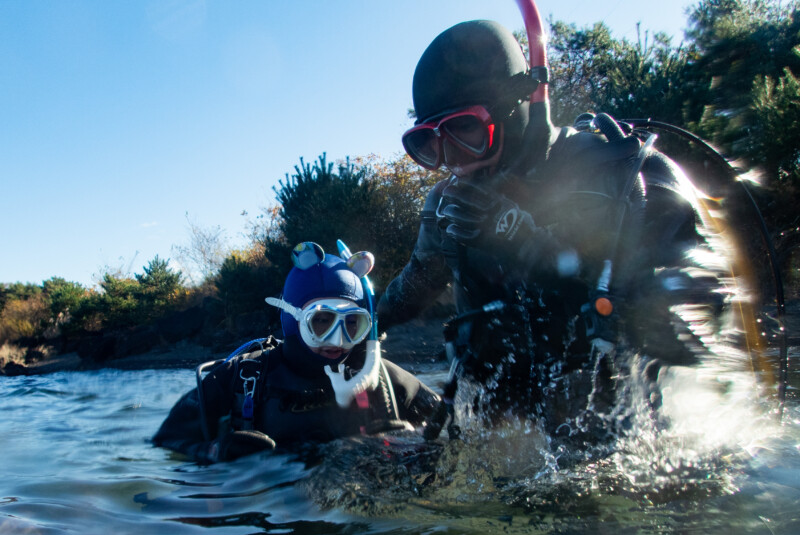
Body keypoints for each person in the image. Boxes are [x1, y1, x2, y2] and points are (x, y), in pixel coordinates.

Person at [377, 16, 730, 434]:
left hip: (623, 436)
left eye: (465, 129)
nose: (452, 158)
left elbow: (693, 323)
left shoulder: (620, 175)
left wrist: (527, 243)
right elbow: (412, 289)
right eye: (430, 144)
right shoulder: (446, 207)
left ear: (515, 106)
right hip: (506, 442)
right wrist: (353, 316)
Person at [154, 241, 443, 463]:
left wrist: (415, 443)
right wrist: (215, 451)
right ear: (293, 319)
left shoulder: (382, 378)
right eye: (320, 321)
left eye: (352, 324)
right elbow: (166, 441)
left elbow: (452, 425)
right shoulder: (241, 378)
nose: (338, 340)